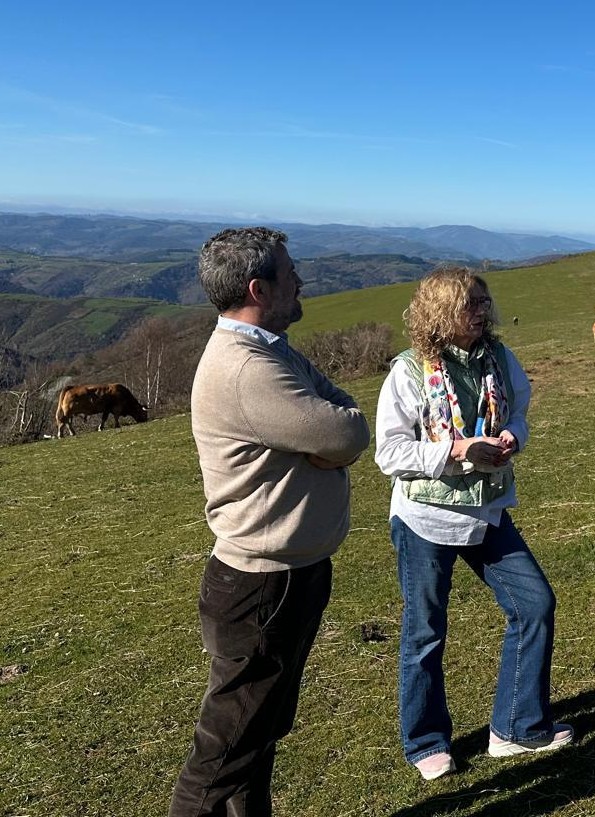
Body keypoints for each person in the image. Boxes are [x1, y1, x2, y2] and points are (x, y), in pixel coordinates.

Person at [170, 227, 370, 817]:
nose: (301, 280)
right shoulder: (248, 368)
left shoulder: (270, 349)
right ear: (260, 288)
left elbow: (338, 408)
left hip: (286, 575)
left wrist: (320, 439)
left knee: (254, 737)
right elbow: (348, 431)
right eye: (290, 273)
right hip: (263, 587)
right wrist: (324, 439)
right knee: (222, 755)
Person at [374, 268, 572, 781]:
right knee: (425, 633)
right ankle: (424, 742)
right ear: (440, 313)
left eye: (485, 302)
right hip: (425, 517)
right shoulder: (409, 370)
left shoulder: (500, 359)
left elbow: (520, 413)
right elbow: (390, 452)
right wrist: (457, 449)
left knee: (534, 604)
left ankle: (516, 728)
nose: (483, 312)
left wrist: (511, 439)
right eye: (471, 304)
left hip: (486, 512)